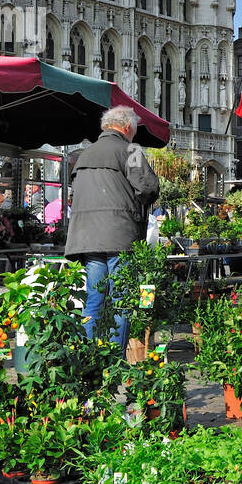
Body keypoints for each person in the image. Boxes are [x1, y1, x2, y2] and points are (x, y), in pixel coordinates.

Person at [65, 105, 161, 353]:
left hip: (87, 236)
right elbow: (149, 188)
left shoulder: (85, 154)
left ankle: (88, 356)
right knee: (122, 300)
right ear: (128, 127)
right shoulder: (130, 150)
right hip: (119, 235)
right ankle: (115, 359)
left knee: (93, 300)